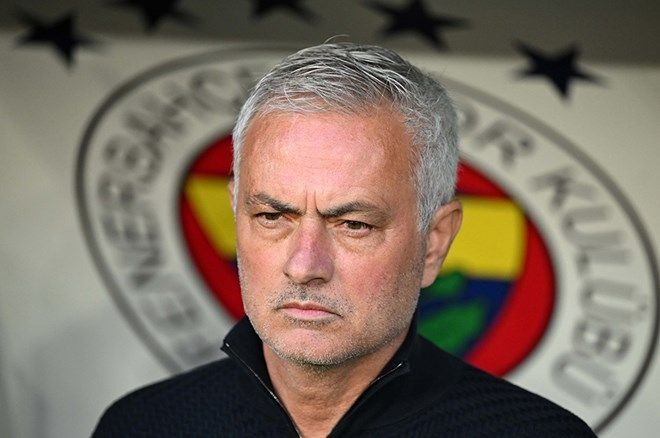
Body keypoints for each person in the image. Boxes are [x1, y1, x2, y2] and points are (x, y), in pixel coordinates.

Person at [93, 43, 596, 437]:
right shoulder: (142, 426)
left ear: (434, 242)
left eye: (353, 224)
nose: (304, 265)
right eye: (272, 216)